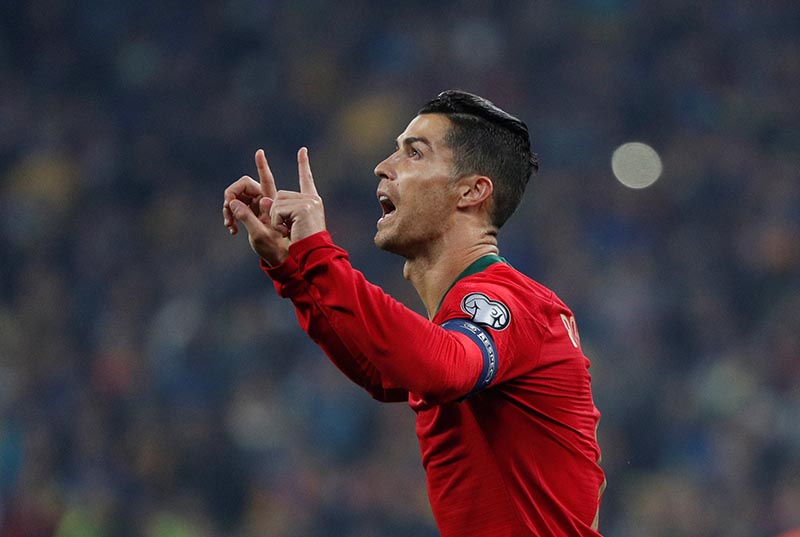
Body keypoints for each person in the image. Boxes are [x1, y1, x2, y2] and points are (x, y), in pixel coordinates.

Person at [222, 90, 605, 536]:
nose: (383, 166)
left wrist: (318, 254)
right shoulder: (471, 313)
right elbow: (383, 371)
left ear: (472, 191)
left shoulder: (513, 302)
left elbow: (441, 367)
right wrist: (292, 267)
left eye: (414, 153)